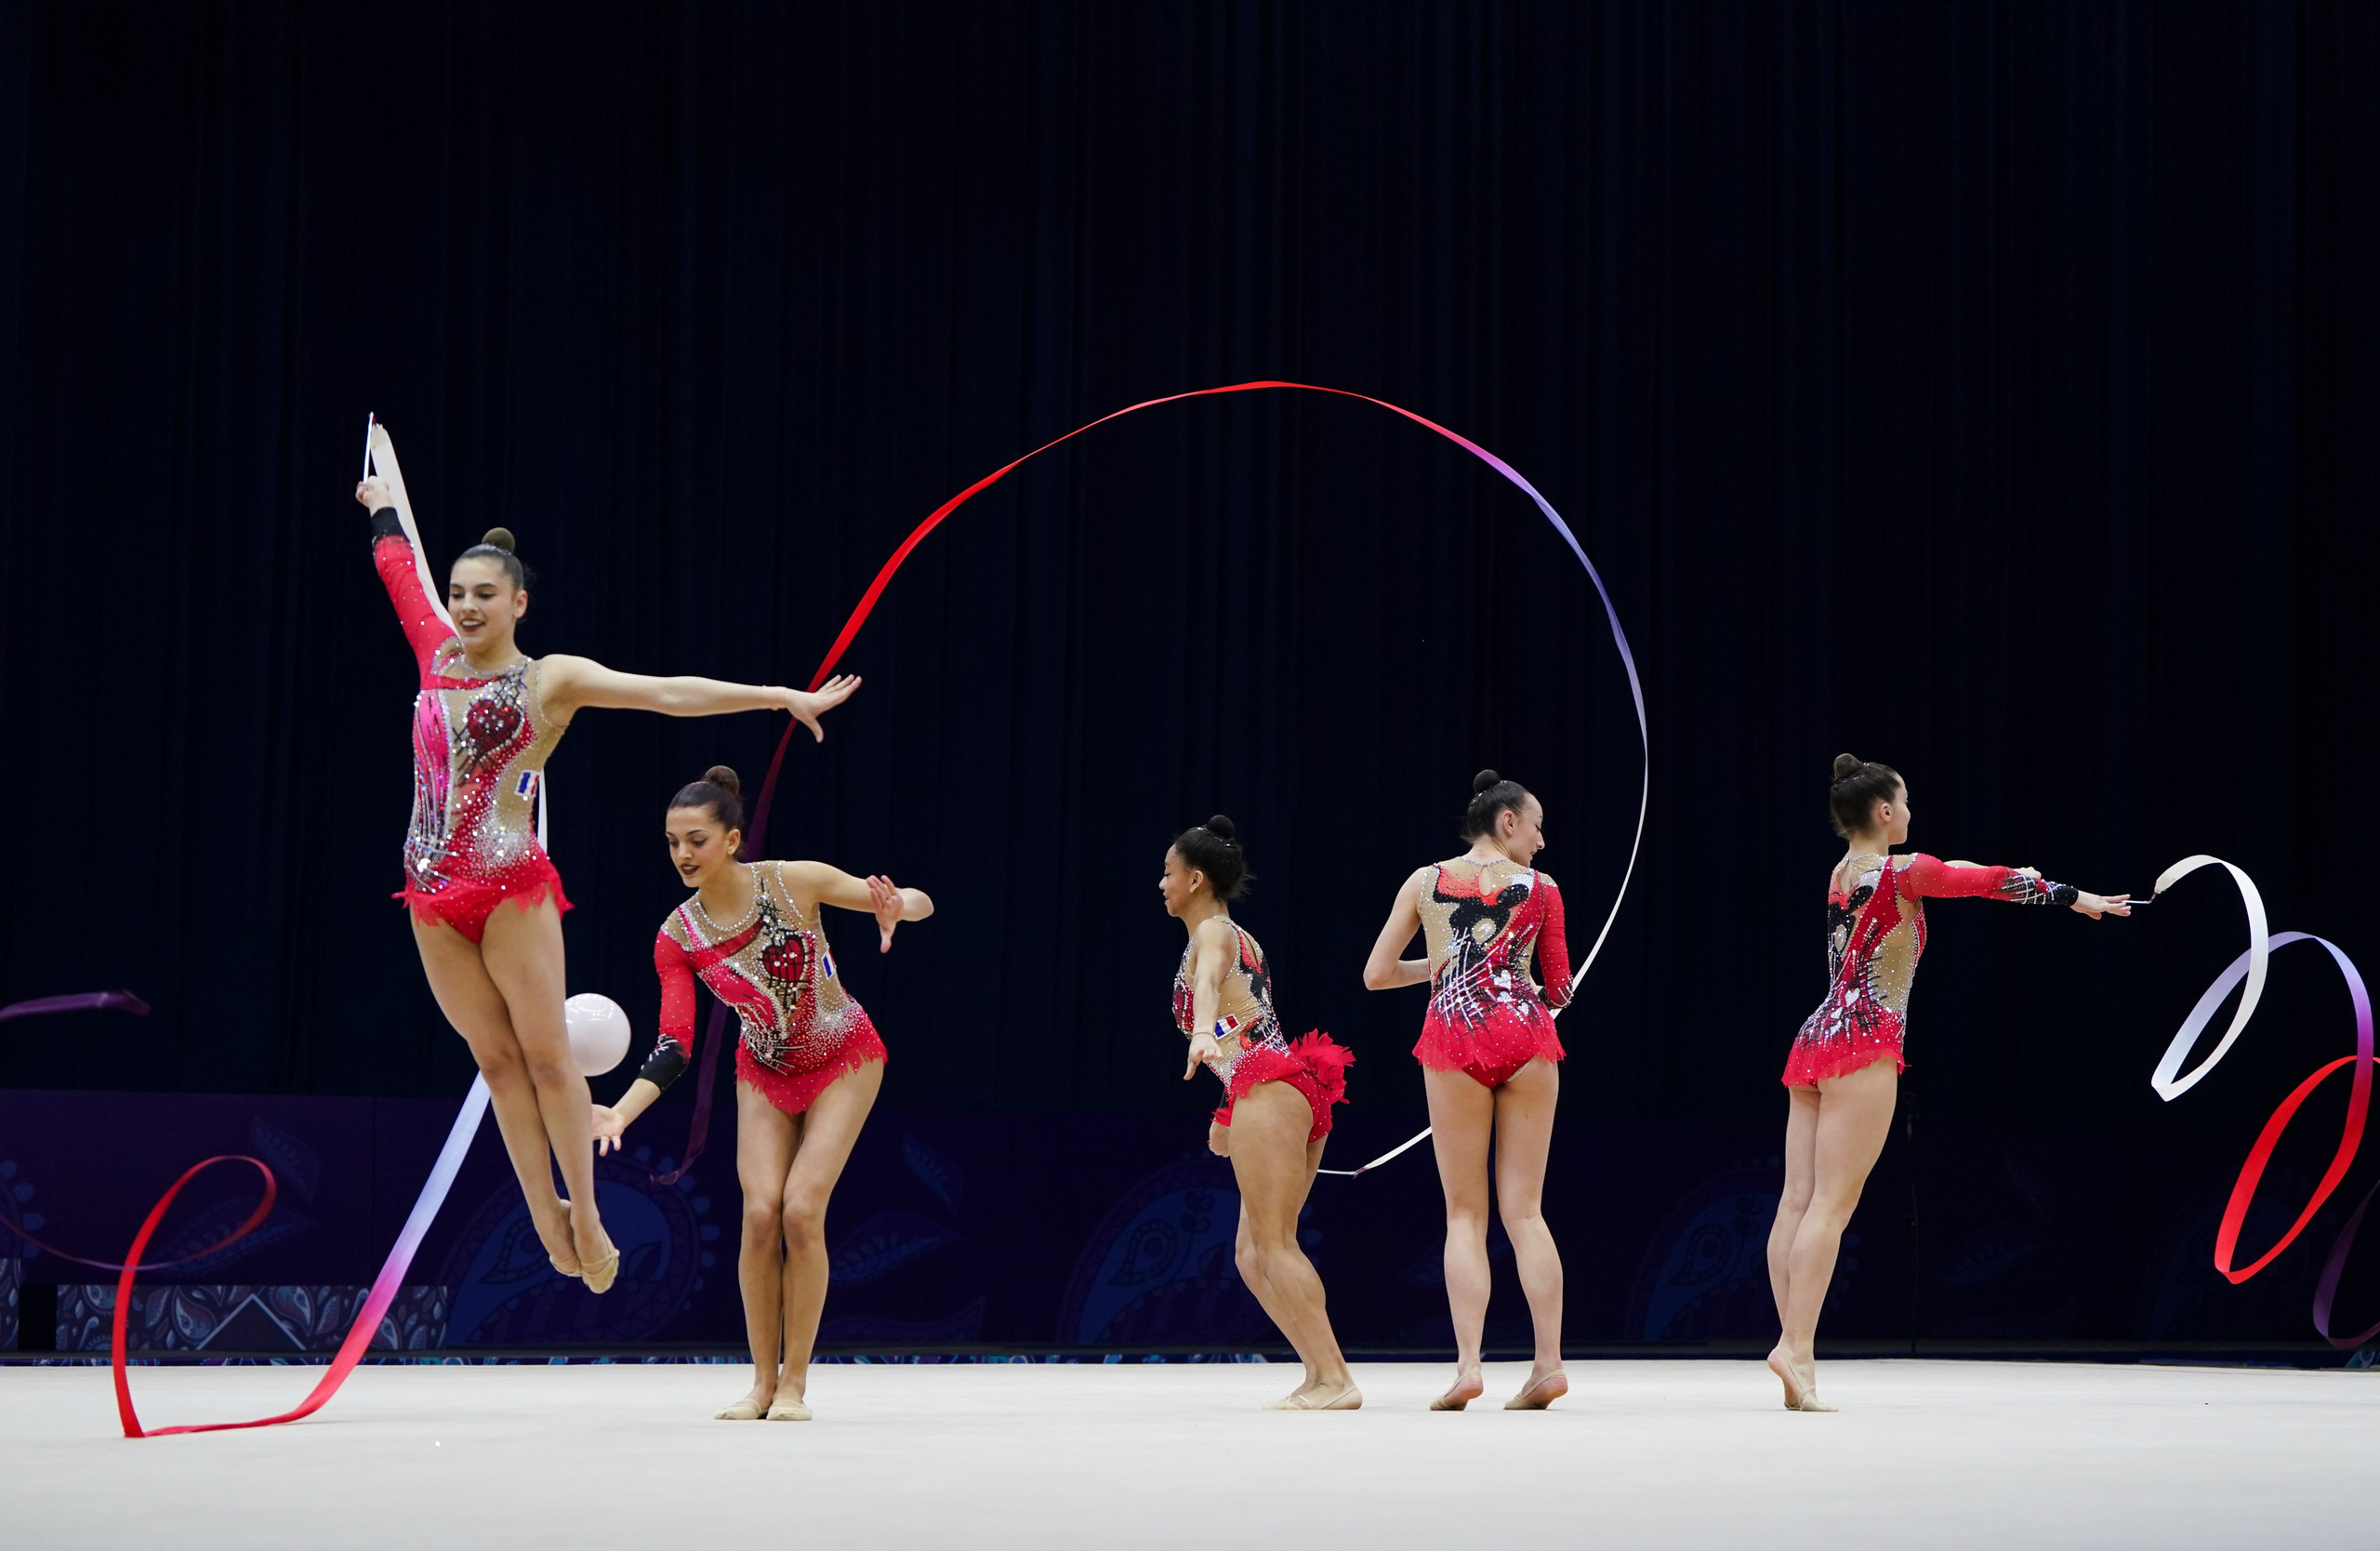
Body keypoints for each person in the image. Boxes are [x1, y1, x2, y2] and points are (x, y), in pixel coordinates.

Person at [358, 476, 857, 1294]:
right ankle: (543, 1207)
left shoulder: (550, 679)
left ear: (520, 602)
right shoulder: (432, 648)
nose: (467, 606)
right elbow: (394, 563)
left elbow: (666, 695)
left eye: (486, 593)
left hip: (511, 888)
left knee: (548, 1060)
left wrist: (779, 698)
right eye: (458, 594)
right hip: (429, 893)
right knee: (496, 1060)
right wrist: (378, 498)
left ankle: (585, 1214)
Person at [1766, 754, 2130, 1412]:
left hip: (1816, 1035)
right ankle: (1796, 1349)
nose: (1909, 813)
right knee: (1831, 1206)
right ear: (1883, 812)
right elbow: (1985, 880)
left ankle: (1793, 1347)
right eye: (1903, 803)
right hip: (1865, 1041)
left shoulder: (1842, 872)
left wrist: (2040, 886)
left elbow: (1970, 876)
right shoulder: (1907, 871)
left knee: (1796, 1201)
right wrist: (2074, 898)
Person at [593, 766, 932, 1421]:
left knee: (802, 1211)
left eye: (696, 839)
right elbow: (675, 1045)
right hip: (765, 1070)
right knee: (758, 1215)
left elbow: (914, 899)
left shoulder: (791, 880)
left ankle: (795, 1385)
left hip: (844, 1057)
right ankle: (759, 1383)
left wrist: (898, 907)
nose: (683, 855)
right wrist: (621, 1110)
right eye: (672, 843)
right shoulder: (678, 936)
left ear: (732, 838)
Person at [1363, 769, 1570, 1411]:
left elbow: (1375, 975)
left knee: (1464, 1214)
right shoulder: (1542, 889)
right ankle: (1547, 1364)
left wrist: (1439, 965)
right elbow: (1559, 987)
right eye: (1536, 827)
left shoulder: (1425, 883)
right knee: (1526, 1211)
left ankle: (1469, 1366)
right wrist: (1538, 989)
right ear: (1507, 822)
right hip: (1527, 1038)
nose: (1540, 841)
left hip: (1454, 1037)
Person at [1165, 815, 1360, 1410]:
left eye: (1169, 873)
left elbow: (1206, 987)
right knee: (1252, 1255)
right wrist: (1228, 1111)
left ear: (1196, 879)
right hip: (1278, 1086)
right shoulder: (1239, 937)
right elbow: (1248, 1025)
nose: (1162, 883)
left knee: (1273, 1245)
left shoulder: (1215, 935)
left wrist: (1199, 1032)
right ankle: (1319, 1373)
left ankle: (1335, 1379)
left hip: (1270, 1088)